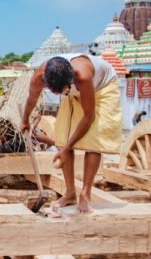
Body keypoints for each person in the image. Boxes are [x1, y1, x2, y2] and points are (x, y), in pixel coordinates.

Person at [21, 54, 121, 213]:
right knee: (62, 137)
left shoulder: (83, 75)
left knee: (94, 141)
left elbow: (89, 116)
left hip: (101, 88)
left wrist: (66, 148)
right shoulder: (38, 77)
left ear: (71, 79)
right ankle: (70, 194)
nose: (60, 94)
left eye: (63, 90)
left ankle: (85, 194)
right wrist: (25, 120)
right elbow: (31, 99)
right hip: (77, 91)